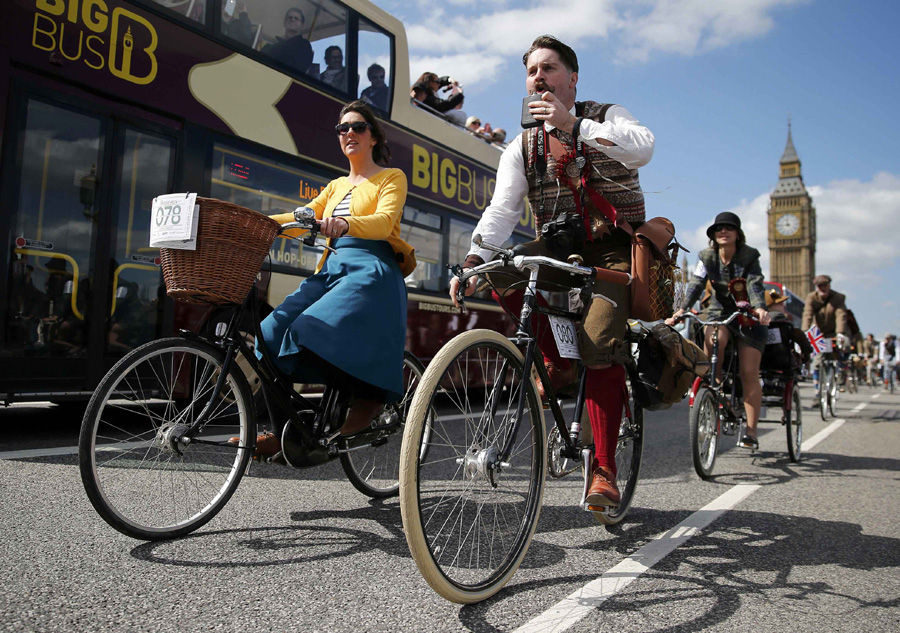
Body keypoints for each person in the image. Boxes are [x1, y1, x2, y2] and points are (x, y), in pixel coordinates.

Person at [450, 35, 654, 508]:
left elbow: (642, 149)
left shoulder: (606, 115)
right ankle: (557, 363)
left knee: (600, 342)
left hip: (613, 250)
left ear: (572, 78)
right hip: (561, 249)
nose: (538, 77)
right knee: (501, 271)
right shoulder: (521, 145)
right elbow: (501, 211)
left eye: (549, 68)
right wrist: (474, 261)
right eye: (531, 71)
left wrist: (574, 125)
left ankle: (603, 468)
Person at [244, 101, 416, 458]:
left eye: (358, 127)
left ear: (372, 137)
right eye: (343, 128)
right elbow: (299, 216)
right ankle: (285, 430)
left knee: (310, 327)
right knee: (269, 335)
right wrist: (253, 224)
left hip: (370, 268)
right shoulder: (336, 185)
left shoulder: (391, 177)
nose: (349, 133)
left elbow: (384, 222)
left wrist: (347, 224)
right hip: (332, 269)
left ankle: (366, 399)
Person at [668, 212, 771, 451]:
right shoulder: (707, 257)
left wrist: (760, 308)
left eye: (729, 228)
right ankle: (715, 390)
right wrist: (681, 309)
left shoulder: (749, 255)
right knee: (714, 341)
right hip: (719, 311)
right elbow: (695, 284)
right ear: (713, 236)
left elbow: (755, 284)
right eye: (719, 229)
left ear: (737, 234)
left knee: (748, 372)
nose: (723, 232)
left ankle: (751, 432)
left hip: (747, 314)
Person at [801, 274, 848, 395]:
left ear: (829, 285)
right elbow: (808, 314)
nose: (823, 288)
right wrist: (805, 331)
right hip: (819, 332)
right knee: (817, 361)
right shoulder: (811, 297)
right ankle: (818, 391)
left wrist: (840, 333)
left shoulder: (838, 297)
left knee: (845, 346)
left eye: (825, 285)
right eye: (820, 286)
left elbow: (840, 315)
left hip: (834, 332)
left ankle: (841, 371)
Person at [261, 7, 314, 75]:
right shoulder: (274, 45)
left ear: (302, 25)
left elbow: (298, 68)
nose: (292, 19)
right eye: (289, 17)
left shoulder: (304, 45)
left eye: (296, 18)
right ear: (284, 22)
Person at [766, 288, 812, 364]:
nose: (783, 305)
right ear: (769, 307)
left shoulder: (756, 321)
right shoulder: (781, 319)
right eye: (779, 303)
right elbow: (798, 335)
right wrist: (806, 350)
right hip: (784, 363)